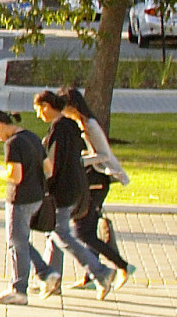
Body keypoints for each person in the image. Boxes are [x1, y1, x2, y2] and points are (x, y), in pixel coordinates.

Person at [35, 88, 122, 297]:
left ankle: (100, 272)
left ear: (47, 106)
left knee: (61, 234)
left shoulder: (60, 130)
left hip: (63, 192)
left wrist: (41, 182)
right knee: (55, 233)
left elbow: (54, 166)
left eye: (39, 110)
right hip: (72, 189)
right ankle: (51, 279)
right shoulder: (70, 127)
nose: (38, 116)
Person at [0, 105, 65, 301]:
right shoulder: (32, 137)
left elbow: (15, 176)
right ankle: (46, 273)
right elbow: (48, 168)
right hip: (36, 196)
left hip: (19, 199)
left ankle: (19, 290)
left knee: (16, 244)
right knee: (22, 241)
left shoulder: (13, 144)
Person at [62, 82, 137, 282]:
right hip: (91, 178)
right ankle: (93, 276)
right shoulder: (81, 124)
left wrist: (79, 161)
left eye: (64, 108)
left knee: (83, 233)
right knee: (86, 230)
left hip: (98, 180)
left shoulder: (90, 125)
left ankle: (121, 266)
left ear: (72, 106)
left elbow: (104, 155)